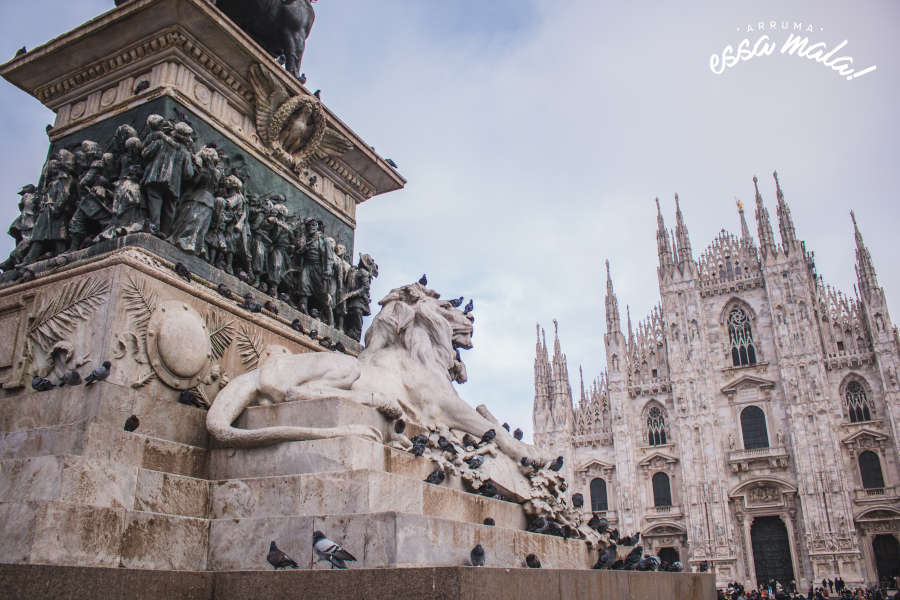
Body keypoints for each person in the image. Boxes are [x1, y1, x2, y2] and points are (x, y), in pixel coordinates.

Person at [141, 115, 195, 234]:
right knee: (169, 208)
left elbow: (146, 154)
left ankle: (154, 227)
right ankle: (164, 233)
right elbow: (189, 174)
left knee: (155, 201)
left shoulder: (161, 141)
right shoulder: (185, 152)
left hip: (156, 177)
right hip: (174, 184)